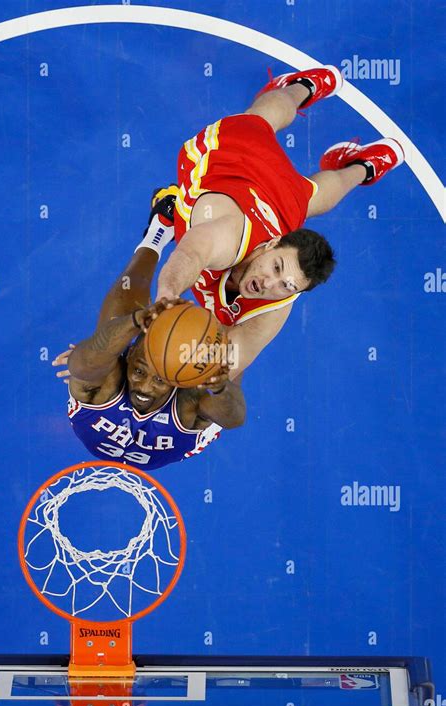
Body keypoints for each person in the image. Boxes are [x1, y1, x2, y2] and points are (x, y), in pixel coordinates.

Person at [155, 65, 405, 376]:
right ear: (273, 243)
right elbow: (190, 255)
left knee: (313, 196)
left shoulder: (276, 304)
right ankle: (304, 87)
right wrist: (168, 295)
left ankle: (365, 166)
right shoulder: (228, 237)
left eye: (286, 285)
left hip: (278, 202)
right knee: (261, 120)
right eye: (276, 267)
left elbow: (231, 362)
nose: (269, 284)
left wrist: (198, 383)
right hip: (233, 157)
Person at [53, 190, 245, 470]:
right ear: (129, 356)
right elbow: (234, 416)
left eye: (159, 380)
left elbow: (81, 365)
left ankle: (158, 231)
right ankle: (233, 295)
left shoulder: (181, 395)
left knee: (108, 337)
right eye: (140, 371)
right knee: (221, 358)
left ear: (176, 382)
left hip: (94, 427)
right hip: (160, 436)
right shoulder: (186, 405)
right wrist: (221, 385)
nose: (144, 387)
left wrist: (130, 324)